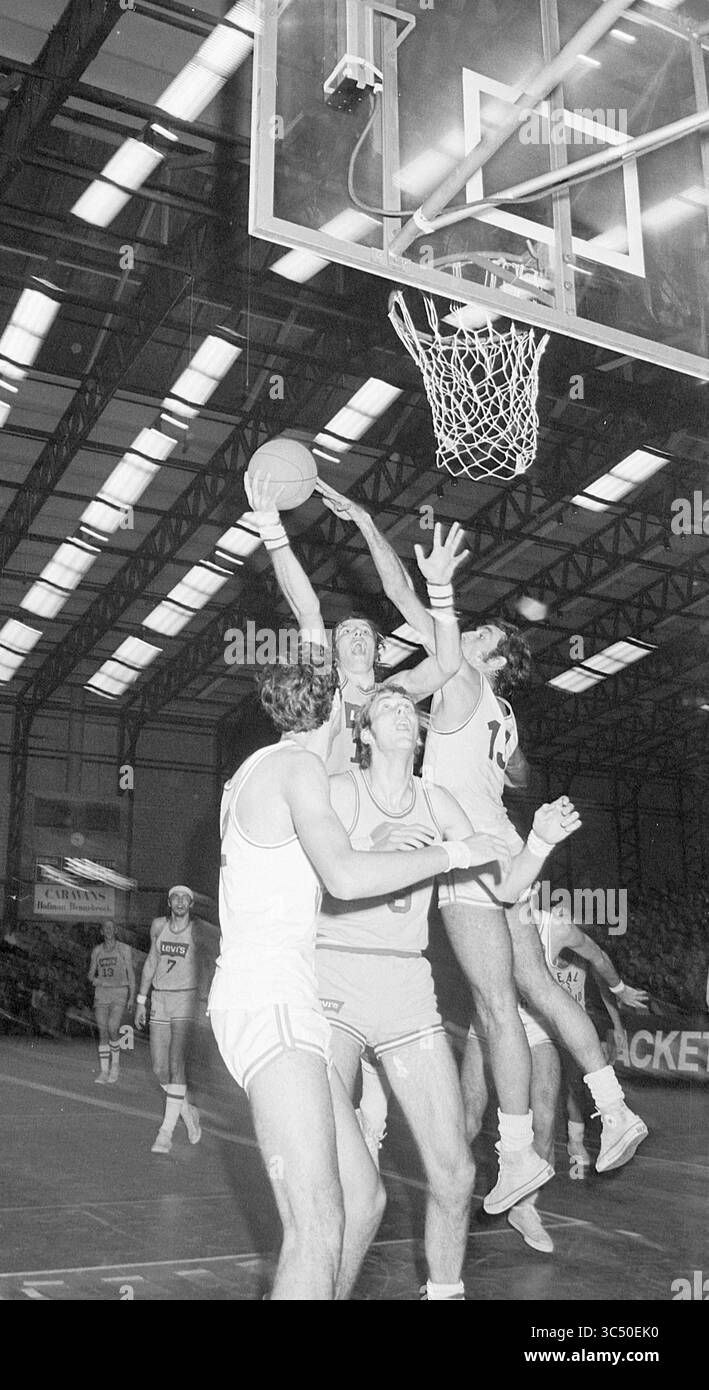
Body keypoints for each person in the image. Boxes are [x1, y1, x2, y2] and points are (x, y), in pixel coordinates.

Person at [317, 481, 648, 1213]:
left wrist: (376, 531)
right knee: (531, 989)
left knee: (497, 1005)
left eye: (478, 639)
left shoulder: (464, 680)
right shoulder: (500, 713)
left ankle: (519, 1152)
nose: (464, 640)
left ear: (492, 661)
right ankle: (613, 1107)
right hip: (509, 851)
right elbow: (512, 772)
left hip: (473, 854)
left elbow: (405, 598)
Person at [210, 655, 514, 1300]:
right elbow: (346, 878)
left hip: (285, 1001)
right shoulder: (295, 768)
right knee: (317, 1225)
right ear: (345, 720)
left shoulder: (267, 768)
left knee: (364, 1200)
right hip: (272, 1005)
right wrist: (455, 851)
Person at [316, 685, 580, 1298]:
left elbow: (507, 888)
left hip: (406, 986)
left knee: (457, 1174)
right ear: (364, 732)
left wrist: (537, 840)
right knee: (336, 1180)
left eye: (411, 710)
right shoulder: (336, 792)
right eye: (389, 709)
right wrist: (366, 849)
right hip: (336, 980)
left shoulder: (440, 802)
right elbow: (312, 876)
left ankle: (444, 1291)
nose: (405, 715)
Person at [244, 471, 467, 1160]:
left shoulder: (393, 698)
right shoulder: (323, 695)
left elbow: (449, 656)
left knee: (381, 975)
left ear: (377, 651)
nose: (357, 641)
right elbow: (305, 603)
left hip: (373, 843)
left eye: (366, 636)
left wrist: (367, 523)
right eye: (346, 638)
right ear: (333, 656)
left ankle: (366, 1112)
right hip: (322, 843)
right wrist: (271, 525)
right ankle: (334, 1112)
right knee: (324, 983)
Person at [462, 890, 650, 1252]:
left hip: (535, 1026)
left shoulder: (556, 926)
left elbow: (596, 955)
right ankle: (451, 1196)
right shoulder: (482, 918)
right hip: (489, 1027)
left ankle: (526, 1207)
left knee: (545, 1113)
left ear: (533, 894)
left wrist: (620, 988)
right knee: (469, 1120)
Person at [135, 886, 205, 1154]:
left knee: (177, 1064)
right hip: (160, 998)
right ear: (169, 902)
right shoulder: (158, 926)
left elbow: (206, 965)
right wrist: (142, 1000)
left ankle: (165, 1132)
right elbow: (152, 962)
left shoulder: (197, 932)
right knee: (159, 1068)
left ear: (190, 904)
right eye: (175, 897)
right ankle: (186, 1109)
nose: (180, 902)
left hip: (185, 1000)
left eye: (185, 898)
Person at [87, 920, 135, 1085]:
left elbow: (131, 974)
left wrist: (132, 996)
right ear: (101, 931)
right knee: (103, 1031)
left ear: (115, 931)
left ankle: (115, 1065)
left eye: (111, 928)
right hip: (102, 993)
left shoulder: (124, 949)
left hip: (119, 992)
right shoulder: (97, 951)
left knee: (113, 1028)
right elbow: (90, 975)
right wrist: (96, 981)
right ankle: (104, 1071)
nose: (108, 930)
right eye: (105, 928)